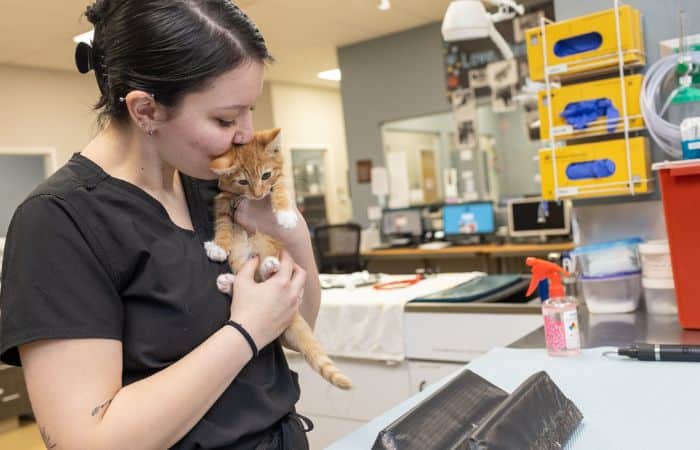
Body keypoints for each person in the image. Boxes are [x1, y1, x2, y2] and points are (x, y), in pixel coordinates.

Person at [0, 1, 321, 449]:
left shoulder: (213, 185)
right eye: (226, 118)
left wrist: (293, 233)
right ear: (145, 110)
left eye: (250, 111)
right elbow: (85, 441)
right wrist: (245, 331)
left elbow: (297, 322)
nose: (246, 134)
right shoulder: (59, 222)